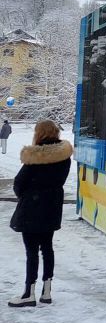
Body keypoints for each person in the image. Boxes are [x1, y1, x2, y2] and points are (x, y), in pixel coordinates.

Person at [8, 120, 73, 308]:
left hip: (31, 208)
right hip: (52, 207)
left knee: (31, 251)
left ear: (39, 133)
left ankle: (29, 293)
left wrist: (27, 195)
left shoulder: (34, 157)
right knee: (47, 248)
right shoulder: (64, 157)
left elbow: (19, 184)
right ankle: (47, 291)